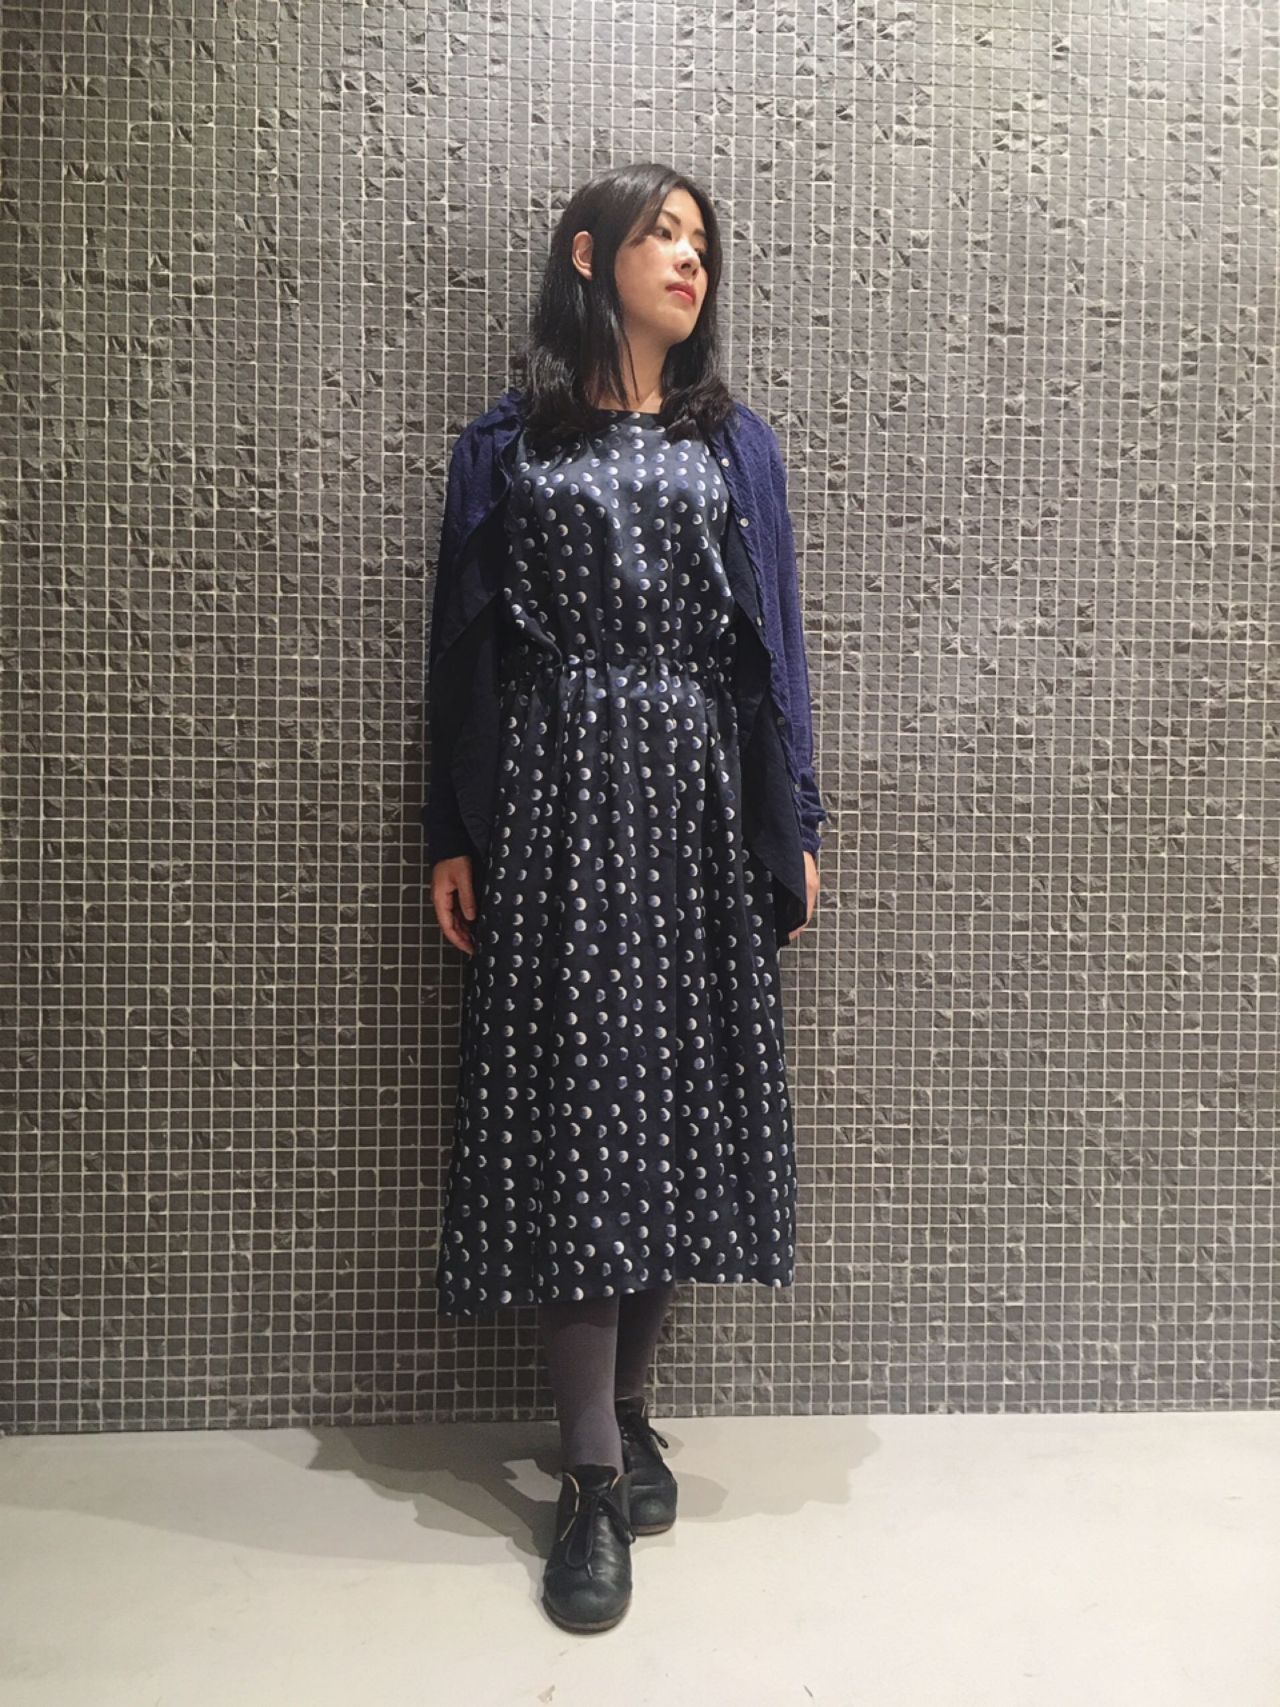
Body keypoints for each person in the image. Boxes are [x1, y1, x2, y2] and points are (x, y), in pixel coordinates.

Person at [424, 162, 829, 1634]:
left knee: (676, 1107)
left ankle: (631, 1408)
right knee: (584, 1110)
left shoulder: (736, 447)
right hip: (559, 800)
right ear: (590, 257)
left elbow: (772, 642)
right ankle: (590, 1479)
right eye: (663, 234)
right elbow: (462, 651)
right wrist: (453, 832)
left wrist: (793, 818)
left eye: (703, 242)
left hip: (698, 804)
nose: (689, 260)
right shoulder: (508, 447)